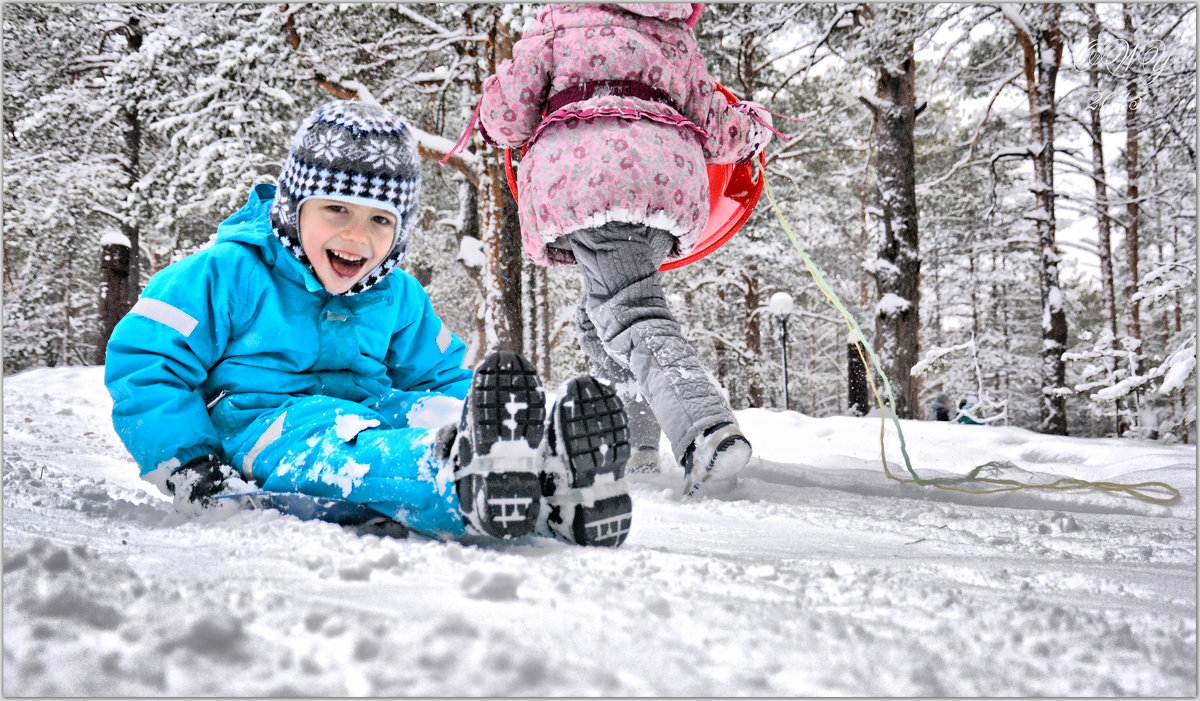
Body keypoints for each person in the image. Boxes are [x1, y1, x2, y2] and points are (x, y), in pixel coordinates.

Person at [104, 100, 633, 547]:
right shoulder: (225, 273)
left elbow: (438, 375)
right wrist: (189, 463)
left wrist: (468, 408)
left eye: (380, 219)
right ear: (294, 209)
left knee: (432, 409)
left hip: (370, 409)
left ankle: (552, 483)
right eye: (336, 209)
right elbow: (147, 362)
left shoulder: (396, 292)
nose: (358, 237)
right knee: (349, 446)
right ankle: (454, 474)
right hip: (265, 425)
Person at [475, 2, 775, 497]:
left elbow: (507, 117)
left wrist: (491, 113)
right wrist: (755, 128)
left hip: (590, 181)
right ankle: (634, 441)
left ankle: (706, 430)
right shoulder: (674, 34)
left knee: (632, 312)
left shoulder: (555, 23)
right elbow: (720, 131)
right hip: (666, 186)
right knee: (600, 317)